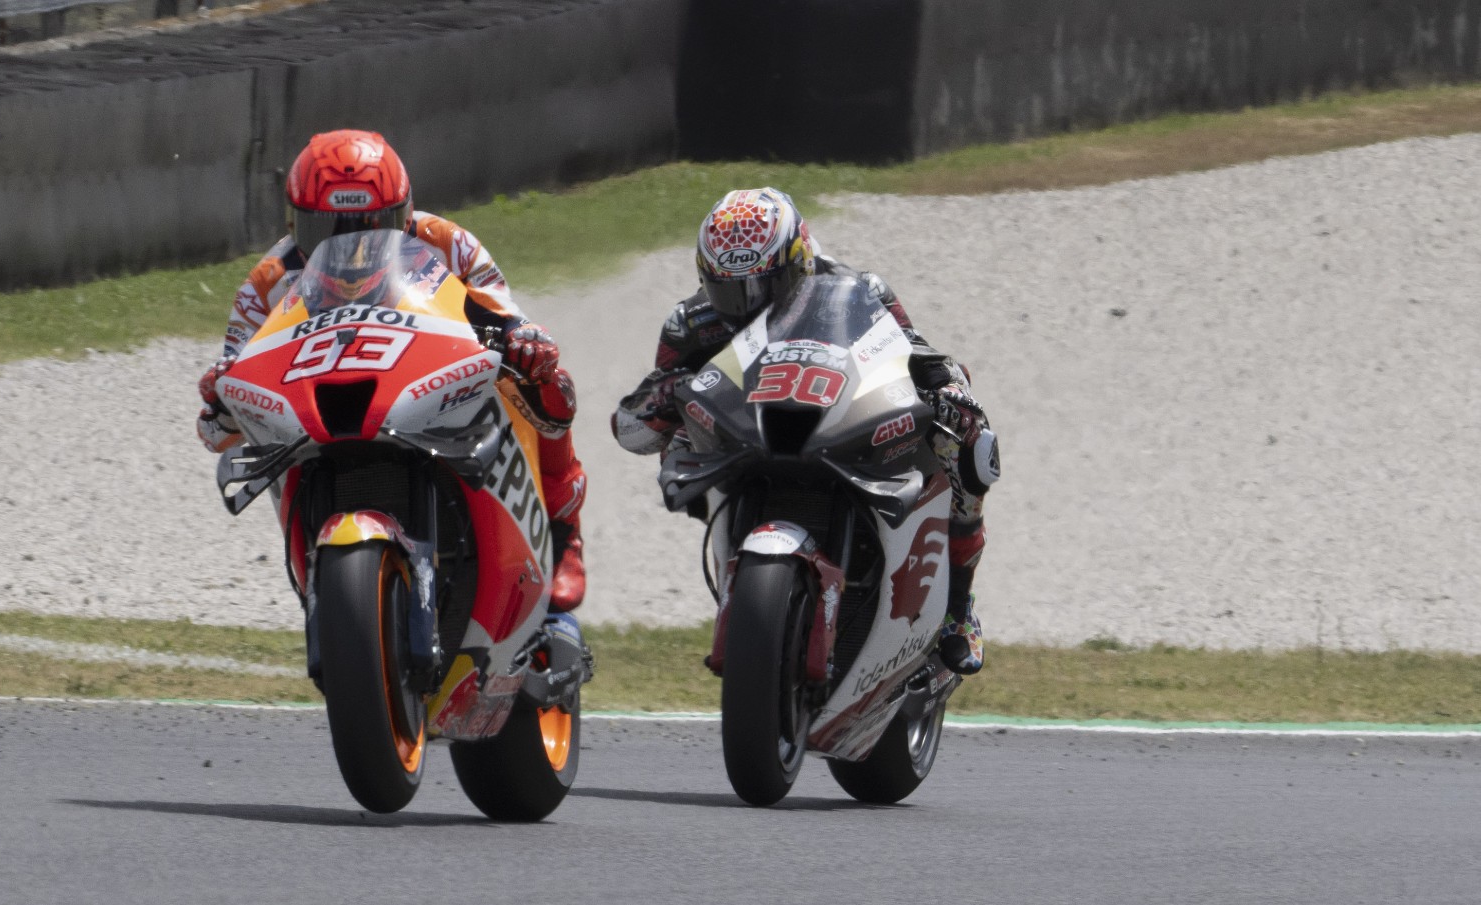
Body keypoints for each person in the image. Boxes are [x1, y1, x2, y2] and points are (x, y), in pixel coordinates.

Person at [196, 129, 588, 611]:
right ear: (295, 226)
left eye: (371, 226)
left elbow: (504, 316)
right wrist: (221, 397)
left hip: (425, 375)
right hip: (320, 402)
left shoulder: (449, 244)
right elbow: (224, 411)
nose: (350, 251)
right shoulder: (265, 285)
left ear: (403, 216)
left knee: (550, 385)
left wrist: (526, 344)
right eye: (327, 232)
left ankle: (564, 531)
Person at [610, 188, 996, 673]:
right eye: (730, 290)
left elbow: (916, 352)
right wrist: (669, 396)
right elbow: (632, 428)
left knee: (968, 437)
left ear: (799, 262)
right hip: (742, 446)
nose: (747, 305)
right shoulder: (692, 324)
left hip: (844, 428)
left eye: (762, 287)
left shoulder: (860, 292)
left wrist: (947, 385)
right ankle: (750, 595)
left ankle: (957, 607)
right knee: (679, 445)